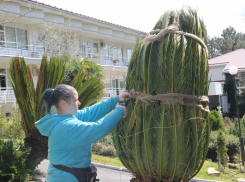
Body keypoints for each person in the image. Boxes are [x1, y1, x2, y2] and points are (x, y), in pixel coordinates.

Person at [35, 84, 130, 182]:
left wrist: (116, 99)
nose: (79, 103)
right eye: (76, 100)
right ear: (64, 103)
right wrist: (119, 111)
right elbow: (98, 129)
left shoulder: (62, 117)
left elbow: (91, 112)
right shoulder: (67, 127)